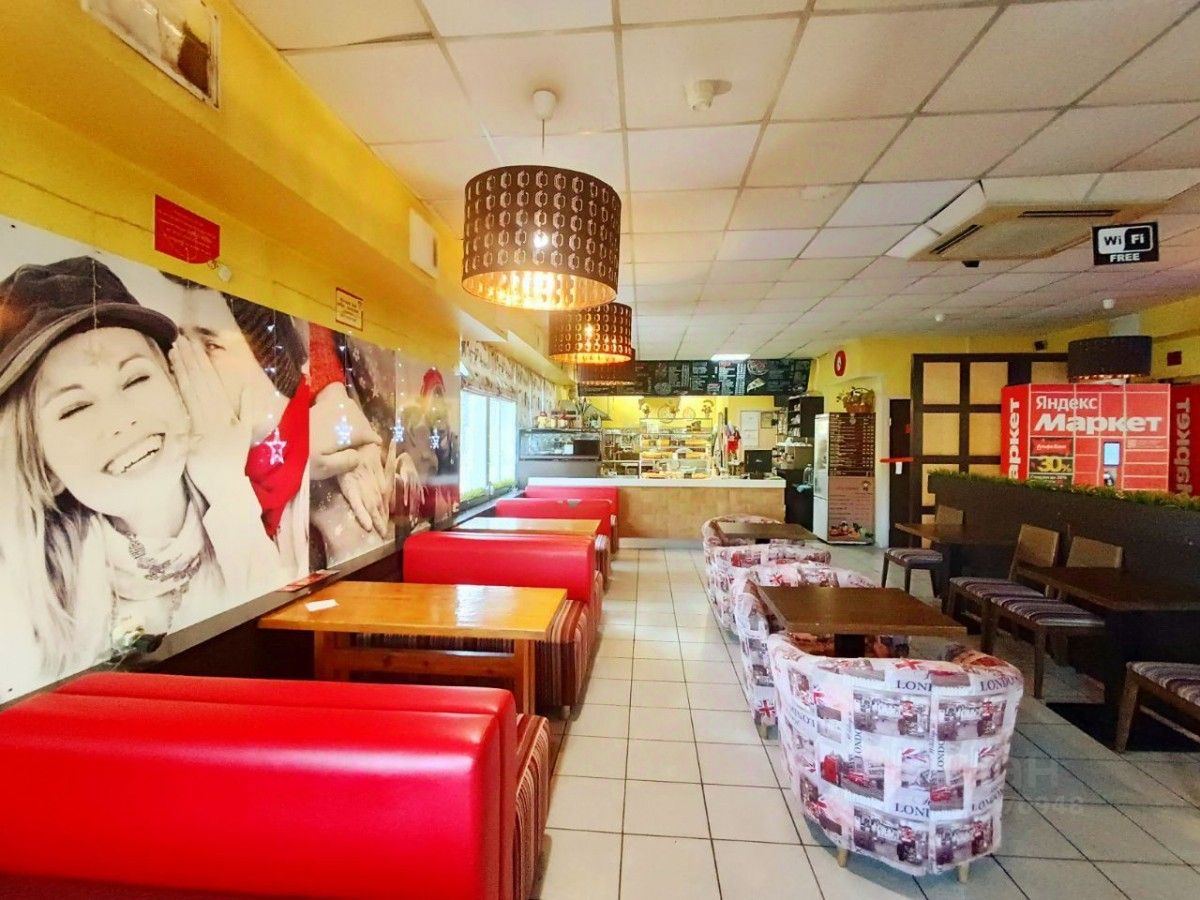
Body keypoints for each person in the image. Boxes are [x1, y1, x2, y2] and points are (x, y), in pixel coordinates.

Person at [0, 258, 284, 696]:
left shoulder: (277, 502)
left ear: (177, 384)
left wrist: (227, 488)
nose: (121, 420)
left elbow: (280, 650)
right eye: (75, 408)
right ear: (42, 463)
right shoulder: (30, 593)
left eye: (135, 379)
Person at [149, 274, 310, 578]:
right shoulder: (180, 465)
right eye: (180, 344)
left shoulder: (317, 465)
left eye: (210, 345)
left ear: (267, 359)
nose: (186, 363)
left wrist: (225, 488)